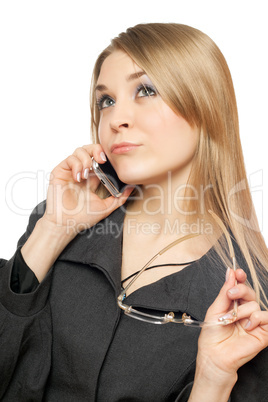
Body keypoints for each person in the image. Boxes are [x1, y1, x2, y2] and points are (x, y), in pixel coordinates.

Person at [0, 22, 267, 402]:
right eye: (106, 100)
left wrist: (213, 381)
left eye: (146, 90)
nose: (115, 118)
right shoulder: (57, 222)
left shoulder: (249, 298)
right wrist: (53, 229)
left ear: (205, 106)